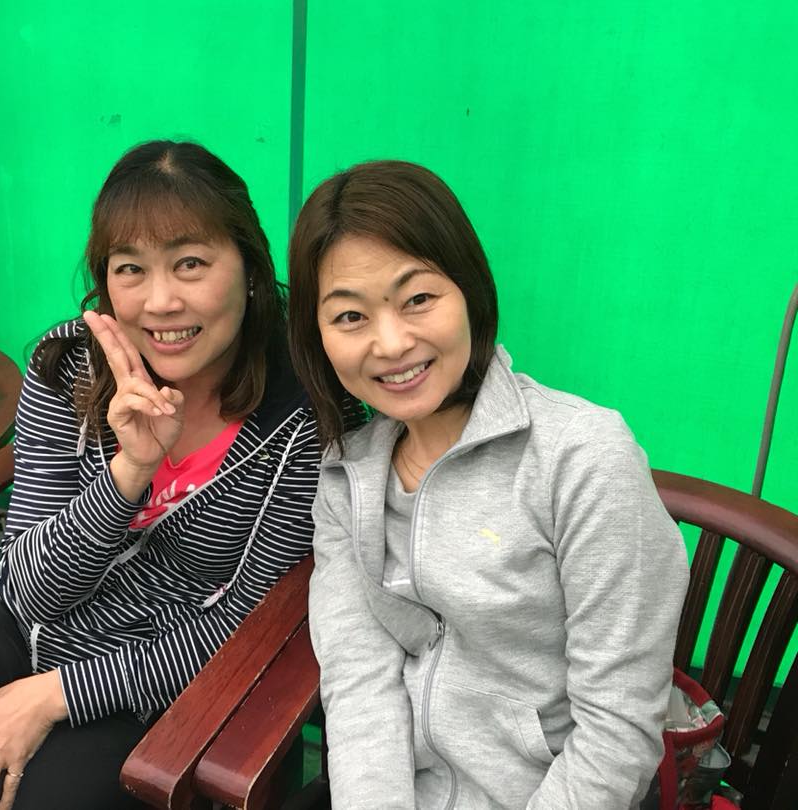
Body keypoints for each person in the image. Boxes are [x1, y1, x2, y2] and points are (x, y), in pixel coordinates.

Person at [0, 140, 320, 810]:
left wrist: (57, 695)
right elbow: (27, 590)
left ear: (250, 269)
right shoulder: (70, 364)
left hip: (159, 677)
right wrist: (130, 471)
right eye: (131, 269)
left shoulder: (304, 413)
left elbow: (247, 622)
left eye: (191, 263)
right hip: (24, 626)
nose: (161, 302)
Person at [286, 159, 690, 809]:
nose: (390, 343)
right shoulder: (347, 477)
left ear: (469, 290)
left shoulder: (583, 458)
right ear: (319, 336)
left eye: (418, 299)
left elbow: (616, 731)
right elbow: (359, 683)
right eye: (350, 316)